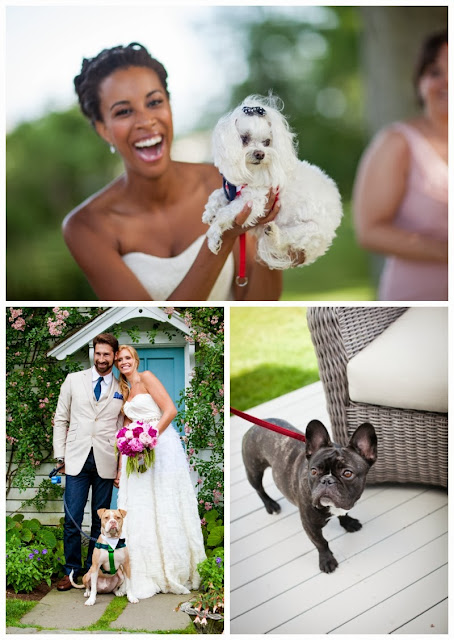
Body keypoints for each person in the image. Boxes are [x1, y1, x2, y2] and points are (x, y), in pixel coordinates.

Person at [64, 42, 285, 301]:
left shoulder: (224, 180)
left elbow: (257, 303)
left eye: (155, 102)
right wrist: (221, 237)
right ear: (103, 129)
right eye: (124, 111)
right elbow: (159, 326)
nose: (146, 121)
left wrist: (272, 238)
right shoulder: (85, 227)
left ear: (169, 107)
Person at [353, 30, 448, 301]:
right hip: (417, 298)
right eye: (435, 72)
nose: (447, 80)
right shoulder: (397, 143)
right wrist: (445, 251)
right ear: (420, 83)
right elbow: (369, 232)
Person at [114, 345, 206, 599]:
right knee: (142, 507)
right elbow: (125, 429)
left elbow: (170, 411)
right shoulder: (124, 391)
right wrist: (123, 467)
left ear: (135, 359)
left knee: (165, 503)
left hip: (162, 447)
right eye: (119, 360)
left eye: (127, 358)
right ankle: (146, 570)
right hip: (137, 456)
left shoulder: (147, 378)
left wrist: (148, 437)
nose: (123, 362)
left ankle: (174, 569)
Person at [53, 333, 124, 591]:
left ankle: (93, 572)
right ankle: (71, 572)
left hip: (105, 460)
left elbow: (120, 428)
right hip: (76, 460)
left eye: (107, 354)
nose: (101, 358)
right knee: (72, 518)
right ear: (93, 353)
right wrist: (60, 456)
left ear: (114, 356)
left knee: (101, 521)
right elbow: (61, 419)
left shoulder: (120, 387)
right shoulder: (73, 380)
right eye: (98, 353)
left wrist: (119, 467)